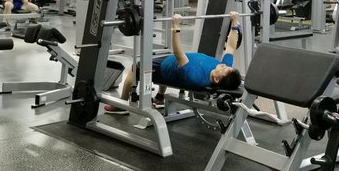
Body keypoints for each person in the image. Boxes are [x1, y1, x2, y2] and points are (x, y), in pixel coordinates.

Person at [104, 11, 243, 114]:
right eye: (226, 66)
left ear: (217, 79)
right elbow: (231, 46)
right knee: (171, 62)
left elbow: (178, 53)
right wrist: (235, 23)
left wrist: (175, 25)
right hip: (171, 61)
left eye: (224, 68)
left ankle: (121, 105)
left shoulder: (196, 76)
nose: (224, 65)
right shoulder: (225, 71)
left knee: (135, 68)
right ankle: (160, 97)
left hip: (164, 68)